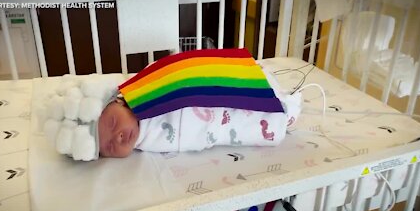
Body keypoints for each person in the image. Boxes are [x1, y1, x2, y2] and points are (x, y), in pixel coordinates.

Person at [42, 48, 302, 161]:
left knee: (230, 92)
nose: (119, 137)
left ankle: (269, 90)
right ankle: (281, 112)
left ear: (118, 101)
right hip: (213, 122)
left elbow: (184, 73)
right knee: (244, 122)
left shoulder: (142, 88)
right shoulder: (146, 141)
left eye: (112, 123)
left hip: (210, 94)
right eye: (109, 147)